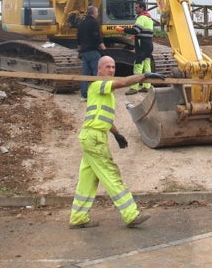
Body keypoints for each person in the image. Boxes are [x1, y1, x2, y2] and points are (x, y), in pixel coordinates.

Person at [68, 55, 162, 229]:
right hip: (94, 138)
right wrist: (143, 76)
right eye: (108, 67)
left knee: (87, 180)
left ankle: (78, 217)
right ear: (99, 70)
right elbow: (122, 83)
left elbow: (103, 118)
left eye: (113, 67)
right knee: (111, 175)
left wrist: (117, 134)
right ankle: (131, 214)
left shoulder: (105, 93)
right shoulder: (98, 84)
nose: (111, 70)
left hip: (93, 136)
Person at [118, 1, 156, 95]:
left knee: (138, 66)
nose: (135, 9)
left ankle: (134, 88)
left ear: (142, 8)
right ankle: (147, 86)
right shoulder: (149, 18)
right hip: (148, 45)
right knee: (147, 66)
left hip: (142, 45)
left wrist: (123, 29)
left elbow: (136, 30)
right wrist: (137, 36)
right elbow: (146, 32)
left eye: (137, 7)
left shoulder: (141, 18)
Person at [76, 5, 106, 99]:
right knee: (97, 73)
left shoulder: (81, 23)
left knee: (85, 74)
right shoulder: (94, 23)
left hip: (84, 52)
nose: (98, 14)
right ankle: (98, 93)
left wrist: (81, 50)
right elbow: (97, 38)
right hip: (93, 51)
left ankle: (84, 95)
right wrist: (105, 50)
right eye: (97, 12)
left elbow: (78, 39)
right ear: (93, 13)